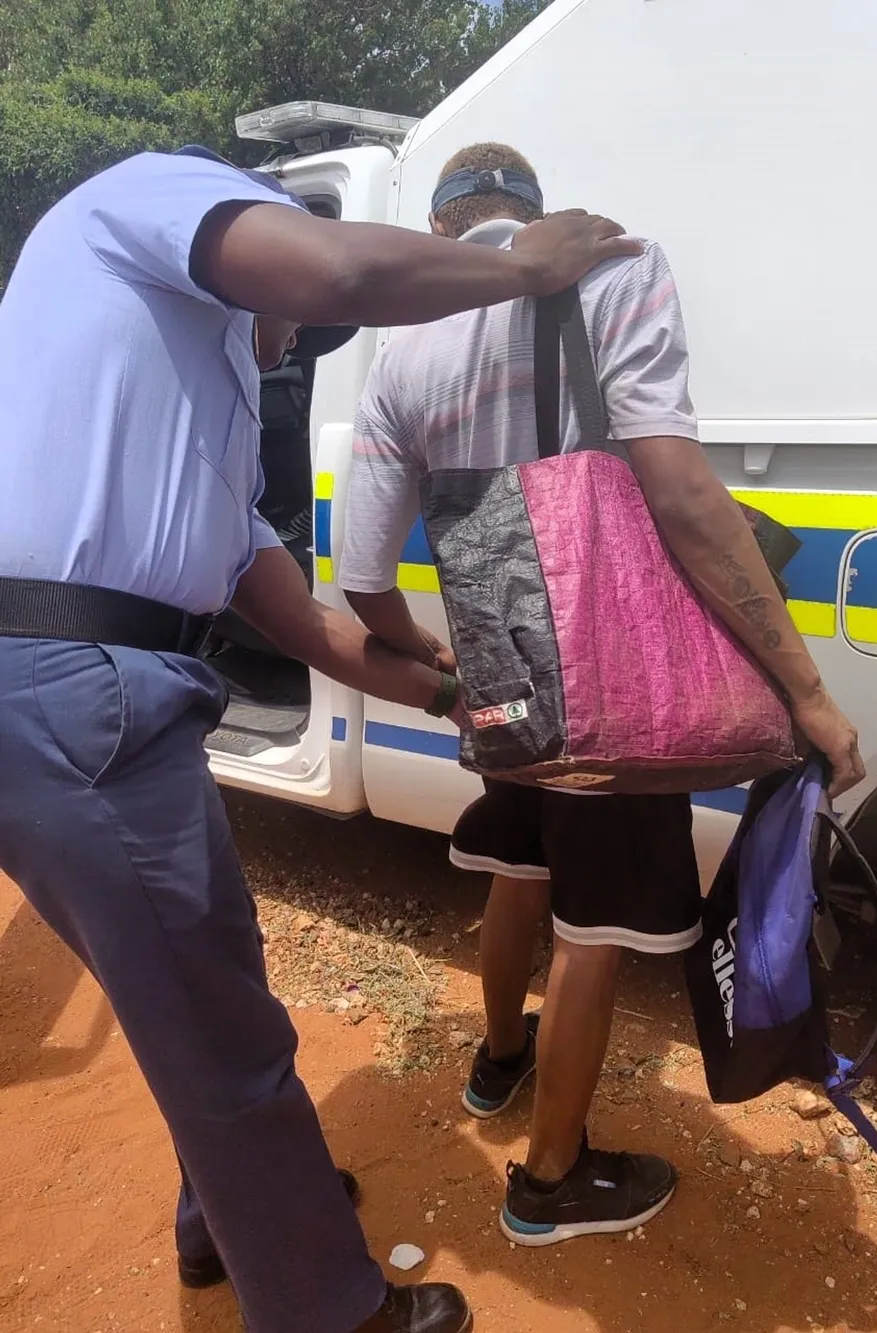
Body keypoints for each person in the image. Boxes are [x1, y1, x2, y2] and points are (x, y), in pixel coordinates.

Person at [0, 144, 641, 1333]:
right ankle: (327, 1310)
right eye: (290, 320)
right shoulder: (148, 189)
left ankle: (223, 1216)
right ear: (239, 232)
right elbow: (338, 271)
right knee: (220, 1024)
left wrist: (450, 692)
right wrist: (527, 265)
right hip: (74, 686)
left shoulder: (198, 445)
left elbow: (311, 629)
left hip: (82, 695)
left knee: (200, 984)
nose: (299, 338)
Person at [338, 143, 866, 1249]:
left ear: (441, 229)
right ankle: (551, 1180)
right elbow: (678, 491)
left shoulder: (400, 354)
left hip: (504, 675)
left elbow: (365, 579)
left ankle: (499, 1063)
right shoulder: (614, 271)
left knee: (520, 870)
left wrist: (435, 664)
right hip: (614, 678)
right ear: (537, 215)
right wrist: (804, 690)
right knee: (594, 926)